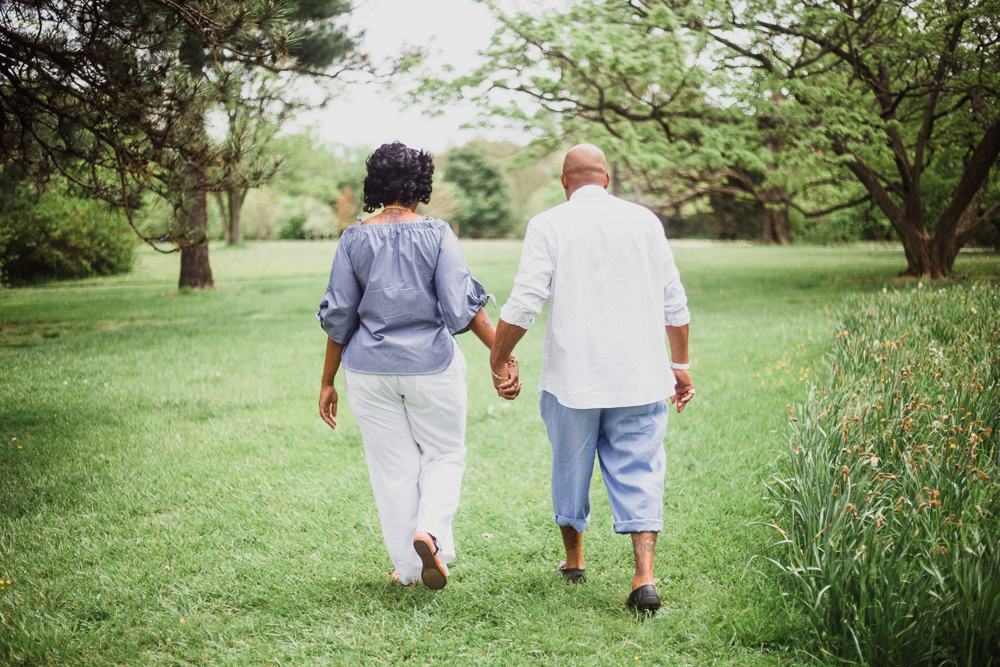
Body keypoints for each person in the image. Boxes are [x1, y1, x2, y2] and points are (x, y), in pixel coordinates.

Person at [490, 144, 695, 613]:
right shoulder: (646, 221)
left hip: (572, 380)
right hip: (640, 376)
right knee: (641, 468)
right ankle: (643, 576)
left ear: (565, 184)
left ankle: (574, 559)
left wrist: (498, 358)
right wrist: (679, 366)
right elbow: (675, 301)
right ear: (607, 179)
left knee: (569, 466)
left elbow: (524, 302)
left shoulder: (549, 224)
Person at [317, 141, 520, 590]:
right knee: (445, 453)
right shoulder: (438, 233)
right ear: (419, 184)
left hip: (368, 372)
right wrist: (500, 357)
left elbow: (338, 317)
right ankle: (428, 532)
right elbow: (464, 308)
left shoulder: (353, 238)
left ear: (375, 185)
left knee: (392, 469)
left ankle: (409, 570)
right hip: (431, 366)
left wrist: (327, 381)